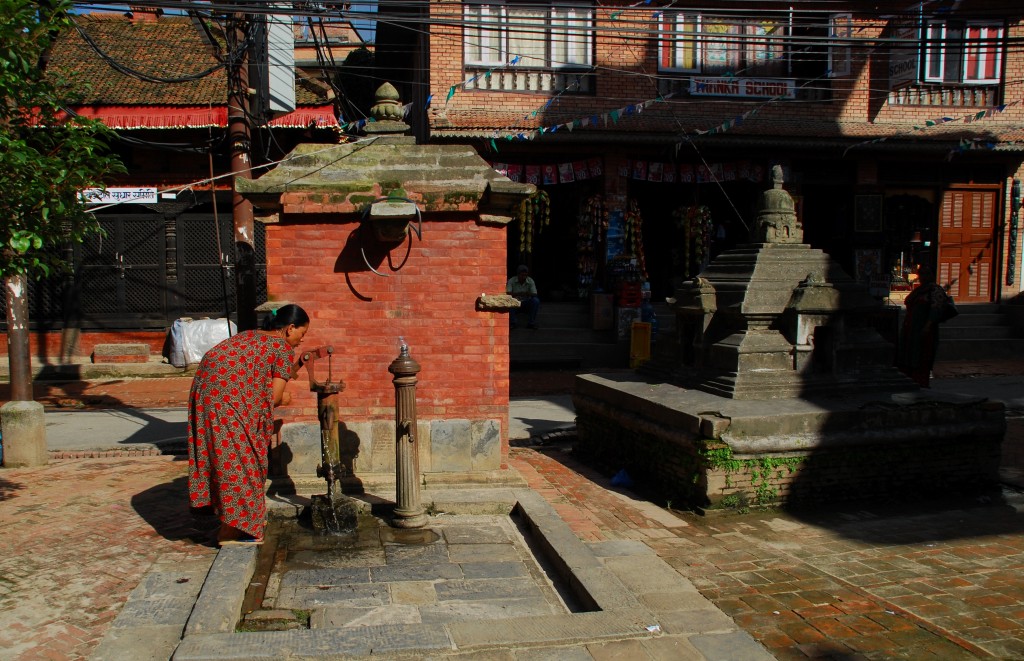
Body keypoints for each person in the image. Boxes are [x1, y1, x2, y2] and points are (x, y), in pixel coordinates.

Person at [187, 303, 309, 546]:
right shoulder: (280, 347)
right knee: (241, 459)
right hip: (226, 400)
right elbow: (275, 397)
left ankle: (236, 520)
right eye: (301, 335)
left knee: (224, 456)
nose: (300, 342)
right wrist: (285, 398)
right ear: (290, 328)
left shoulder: (249, 335)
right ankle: (232, 530)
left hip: (204, 394)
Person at [898, 266, 951, 388]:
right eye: (920, 275)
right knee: (908, 354)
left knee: (921, 356)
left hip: (924, 329)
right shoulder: (920, 290)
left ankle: (921, 382)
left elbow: (936, 310)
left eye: (923, 274)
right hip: (911, 327)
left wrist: (927, 326)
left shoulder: (934, 290)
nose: (921, 277)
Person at [507, 264, 540, 329]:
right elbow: (508, 293)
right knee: (508, 301)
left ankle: (531, 323)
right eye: (522, 275)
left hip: (526, 303)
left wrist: (527, 293)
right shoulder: (511, 280)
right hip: (515, 303)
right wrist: (518, 294)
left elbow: (535, 294)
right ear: (518, 274)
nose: (524, 277)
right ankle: (513, 323)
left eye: (525, 275)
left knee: (536, 301)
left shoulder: (530, 280)